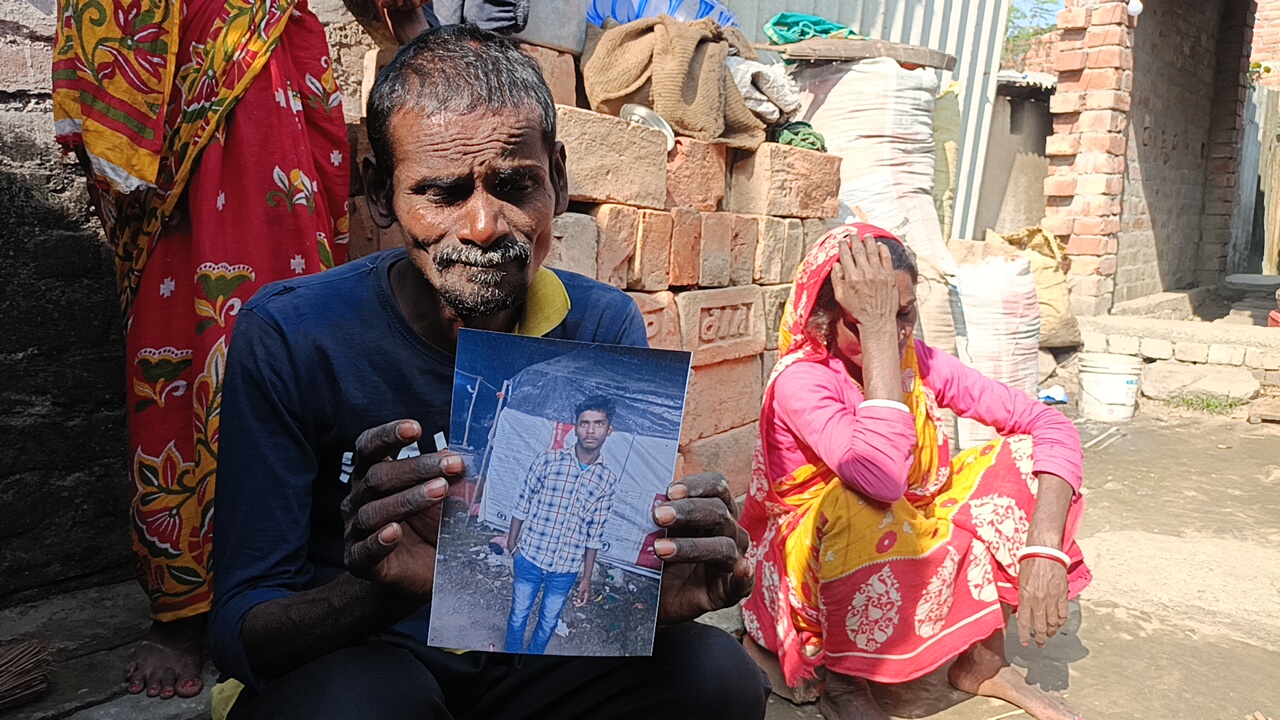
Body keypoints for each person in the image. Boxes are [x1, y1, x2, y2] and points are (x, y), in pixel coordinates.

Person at [208, 25, 768, 720]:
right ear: (381, 195)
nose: (482, 225)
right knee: (366, 706)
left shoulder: (599, 325)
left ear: (558, 180)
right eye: (440, 193)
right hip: (369, 657)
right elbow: (240, 634)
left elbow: (589, 568)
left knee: (718, 676)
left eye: (513, 185)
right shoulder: (294, 334)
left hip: (528, 664)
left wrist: (658, 598)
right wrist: (384, 584)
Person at [49, 0, 426, 698]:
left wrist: (409, 31)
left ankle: (297, 582)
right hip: (173, 74)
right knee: (178, 352)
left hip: (271, 90)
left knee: (290, 336)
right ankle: (182, 609)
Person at [740, 225, 1091, 720]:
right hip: (811, 565)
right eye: (867, 318)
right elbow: (879, 476)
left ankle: (983, 662)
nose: (898, 332)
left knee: (1025, 459)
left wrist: (1043, 548)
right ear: (823, 317)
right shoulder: (804, 380)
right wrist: (881, 332)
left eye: (904, 314)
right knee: (858, 498)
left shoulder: (916, 361)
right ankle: (845, 684)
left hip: (903, 524)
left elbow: (1047, 423)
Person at [505, 395, 622, 654]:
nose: (591, 430)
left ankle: (531, 664)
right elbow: (522, 502)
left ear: (609, 430)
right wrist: (513, 545)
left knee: (547, 622)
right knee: (518, 614)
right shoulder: (548, 460)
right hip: (530, 557)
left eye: (599, 424)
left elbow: (594, 533)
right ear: (575, 427)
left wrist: (587, 577)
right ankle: (509, 662)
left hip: (565, 568)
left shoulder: (607, 480)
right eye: (584, 423)